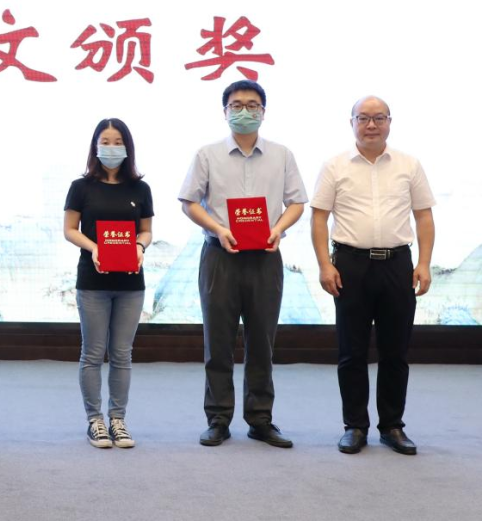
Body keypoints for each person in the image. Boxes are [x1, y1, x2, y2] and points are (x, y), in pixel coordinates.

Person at [178, 79, 307, 448]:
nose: (245, 111)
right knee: (217, 341)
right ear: (225, 112)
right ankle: (218, 418)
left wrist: (278, 229)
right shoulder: (207, 154)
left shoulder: (282, 155)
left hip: (265, 257)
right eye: (236, 105)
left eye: (252, 105)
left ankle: (260, 419)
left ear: (263, 112)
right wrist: (218, 229)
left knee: (262, 342)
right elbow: (189, 202)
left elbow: (297, 202)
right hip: (220, 256)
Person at [310, 96, 436, 456]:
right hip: (350, 264)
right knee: (351, 351)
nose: (371, 125)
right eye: (363, 118)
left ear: (389, 122)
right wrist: (325, 264)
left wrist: (424, 263)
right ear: (351, 122)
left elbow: (423, 216)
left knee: (395, 351)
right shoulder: (334, 165)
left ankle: (392, 426)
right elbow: (319, 217)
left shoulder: (409, 165)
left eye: (379, 118)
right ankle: (354, 426)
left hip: (397, 265)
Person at [64, 119, 153, 449]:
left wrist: (139, 246)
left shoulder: (141, 189)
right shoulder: (81, 187)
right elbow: (70, 229)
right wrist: (95, 248)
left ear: (127, 147)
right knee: (92, 353)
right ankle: (95, 421)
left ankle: (118, 419)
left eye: (118, 142)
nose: (111, 147)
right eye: (105, 141)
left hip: (131, 283)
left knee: (122, 354)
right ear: (95, 146)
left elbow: (146, 231)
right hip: (93, 281)